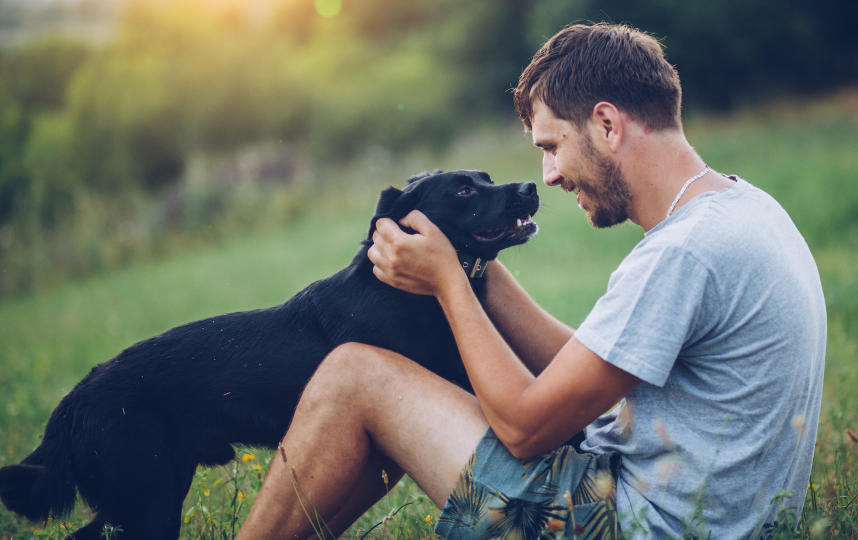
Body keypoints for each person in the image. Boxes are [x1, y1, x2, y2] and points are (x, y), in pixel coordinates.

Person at [237, 22, 825, 539]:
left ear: (606, 125)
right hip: (680, 513)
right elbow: (593, 364)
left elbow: (522, 428)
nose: (548, 176)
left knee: (352, 374)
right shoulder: (744, 210)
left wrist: (448, 282)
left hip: (615, 525)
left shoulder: (681, 257)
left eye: (552, 146)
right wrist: (473, 262)